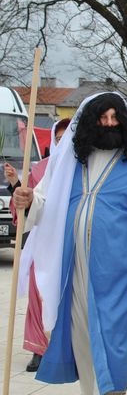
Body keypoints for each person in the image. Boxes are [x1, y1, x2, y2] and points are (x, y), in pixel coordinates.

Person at [12, 92, 127, 395]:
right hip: (74, 276)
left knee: (113, 349)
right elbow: (43, 203)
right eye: (103, 118)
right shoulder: (69, 163)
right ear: (89, 123)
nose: (110, 125)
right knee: (82, 347)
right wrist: (28, 202)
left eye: (115, 119)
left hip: (115, 280)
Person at [4, 118, 70, 372]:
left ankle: (61, 348)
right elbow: (26, 201)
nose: (63, 142)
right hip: (42, 242)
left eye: (68, 138)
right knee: (37, 295)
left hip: (66, 241)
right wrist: (15, 185)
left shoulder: (81, 168)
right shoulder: (42, 168)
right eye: (59, 138)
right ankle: (37, 349)